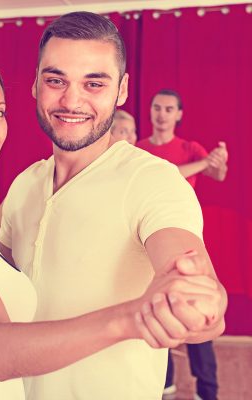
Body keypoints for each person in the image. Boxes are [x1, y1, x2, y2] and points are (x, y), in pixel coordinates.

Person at [0, 13, 227, 400]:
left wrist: (200, 302)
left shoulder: (153, 181)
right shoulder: (25, 185)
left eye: (94, 83)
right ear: (36, 85)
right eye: (56, 80)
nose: (72, 100)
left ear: (121, 91)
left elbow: (200, 296)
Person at [137, 89, 228, 400]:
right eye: (156, 107)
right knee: (157, 311)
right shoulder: (139, 150)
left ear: (178, 115)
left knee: (197, 313)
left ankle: (208, 392)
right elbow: (166, 177)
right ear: (150, 112)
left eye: (168, 109)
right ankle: (165, 388)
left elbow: (218, 173)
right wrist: (202, 165)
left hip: (185, 243)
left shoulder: (190, 149)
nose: (161, 114)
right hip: (145, 246)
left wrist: (215, 161)